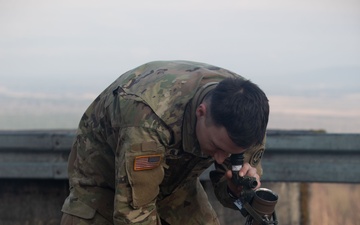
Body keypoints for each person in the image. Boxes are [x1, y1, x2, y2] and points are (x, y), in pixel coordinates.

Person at [60, 60, 269, 225]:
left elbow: (232, 191)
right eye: (216, 147)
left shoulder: (247, 116)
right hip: (103, 185)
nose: (221, 158)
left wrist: (235, 189)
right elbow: (134, 214)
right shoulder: (148, 120)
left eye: (231, 153)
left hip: (176, 184)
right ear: (201, 113)